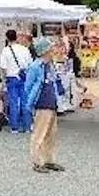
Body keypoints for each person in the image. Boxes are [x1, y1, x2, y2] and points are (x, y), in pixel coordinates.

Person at [24, 37, 64, 173]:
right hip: (41, 103)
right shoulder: (35, 66)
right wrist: (30, 103)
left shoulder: (50, 65)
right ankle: (37, 162)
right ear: (45, 51)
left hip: (51, 102)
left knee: (51, 134)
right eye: (51, 48)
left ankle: (49, 160)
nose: (53, 50)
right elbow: (28, 86)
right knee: (39, 133)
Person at [0, 29, 33, 134]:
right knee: (25, 102)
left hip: (12, 78)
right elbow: (30, 65)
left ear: (7, 38)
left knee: (13, 103)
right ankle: (27, 126)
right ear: (17, 37)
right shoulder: (24, 49)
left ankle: (15, 127)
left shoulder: (5, 50)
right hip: (24, 78)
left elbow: (3, 67)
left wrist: (4, 80)